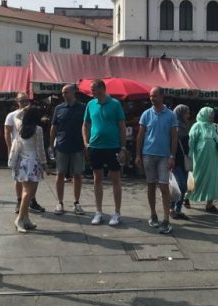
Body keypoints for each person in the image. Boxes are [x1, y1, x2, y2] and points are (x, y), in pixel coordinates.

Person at [82, 79, 127, 226]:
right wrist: (86, 142)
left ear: (102, 88)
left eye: (94, 89)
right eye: (91, 89)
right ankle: (99, 212)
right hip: (95, 147)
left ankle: (117, 212)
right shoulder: (90, 104)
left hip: (113, 147)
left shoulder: (115, 104)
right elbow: (85, 124)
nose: (92, 92)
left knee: (115, 179)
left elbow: (122, 126)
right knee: (97, 179)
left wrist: (123, 147)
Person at [135, 87, 178, 234]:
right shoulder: (146, 114)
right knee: (151, 185)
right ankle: (153, 214)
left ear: (161, 96)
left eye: (155, 96)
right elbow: (140, 135)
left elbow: (174, 136)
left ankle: (166, 218)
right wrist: (138, 155)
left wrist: (172, 156)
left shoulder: (171, 115)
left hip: (164, 156)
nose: (152, 98)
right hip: (148, 154)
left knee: (164, 187)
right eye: (150, 96)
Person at [7, 106, 48, 233]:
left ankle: (26, 219)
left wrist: (23, 109)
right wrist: (45, 164)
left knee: (28, 193)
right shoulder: (38, 129)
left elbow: (16, 116)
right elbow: (40, 149)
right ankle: (19, 219)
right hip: (34, 162)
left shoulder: (20, 127)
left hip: (22, 162)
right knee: (28, 193)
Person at [4, 93, 45, 214]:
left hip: (26, 155)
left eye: (26, 101)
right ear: (17, 101)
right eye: (21, 101)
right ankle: (20, 202)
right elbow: (7, 132)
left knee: (32, 181)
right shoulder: (12, 116)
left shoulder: (20, 122)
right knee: (19, 179)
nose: (24, 103)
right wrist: (9, 148)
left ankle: (30, 201)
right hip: (19, 151)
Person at [50, 84, 86, 215]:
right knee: (60, 174)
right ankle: (60, 202)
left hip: (78, 146)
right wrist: (50, 144)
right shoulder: (58, 108)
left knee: (77, 174)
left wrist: (87, 143)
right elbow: (53, 127)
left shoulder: (83, 107)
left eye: (66, 92)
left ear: (73, 93)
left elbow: (87, 125)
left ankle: (76, 202)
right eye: (62, 93)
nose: (64, 95)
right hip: (62, 146)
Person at [186, 106, 218, 213]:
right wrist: (189, 156)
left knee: (213, 179)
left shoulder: (214, 127)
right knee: (196, 178)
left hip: (213, 158)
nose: (212, 117)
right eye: (210, 115)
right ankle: (186, 197)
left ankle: (209, 204)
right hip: (200, 159)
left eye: (213, 115)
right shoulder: (196, 126)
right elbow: (191, 141)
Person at [172, 104, 191, 218]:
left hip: (184, 160)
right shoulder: (174, 126)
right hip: (176, 159)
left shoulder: (185, 126)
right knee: (180, 185)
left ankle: (178, 209)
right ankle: (171, 207)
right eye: (186, 113)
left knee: (184, 186)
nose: (188, 115)